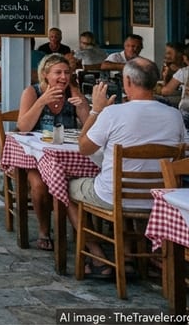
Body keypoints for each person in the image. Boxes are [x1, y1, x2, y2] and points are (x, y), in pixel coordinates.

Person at [68, 58, 189, 277]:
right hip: (159, 198)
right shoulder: (174, 116)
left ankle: (98, 257)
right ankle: (134, 255)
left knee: (65, 188)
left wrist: (95, 110)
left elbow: (84, 147)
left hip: (114, 196)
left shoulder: (113, 114)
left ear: (127, 82)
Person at [15, 54, 91, 251]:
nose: (63, 77)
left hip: (67, 157)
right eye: (58, 73)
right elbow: (22, 127)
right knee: (39, 186)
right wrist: (41, 102)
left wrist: (82, 104)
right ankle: (43, 230)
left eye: (67, 73)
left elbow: (91, 128)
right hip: (37, 157)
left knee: (77, 181)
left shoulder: (72, 92)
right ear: (46, 75)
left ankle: (84, 233)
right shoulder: (32, 92)